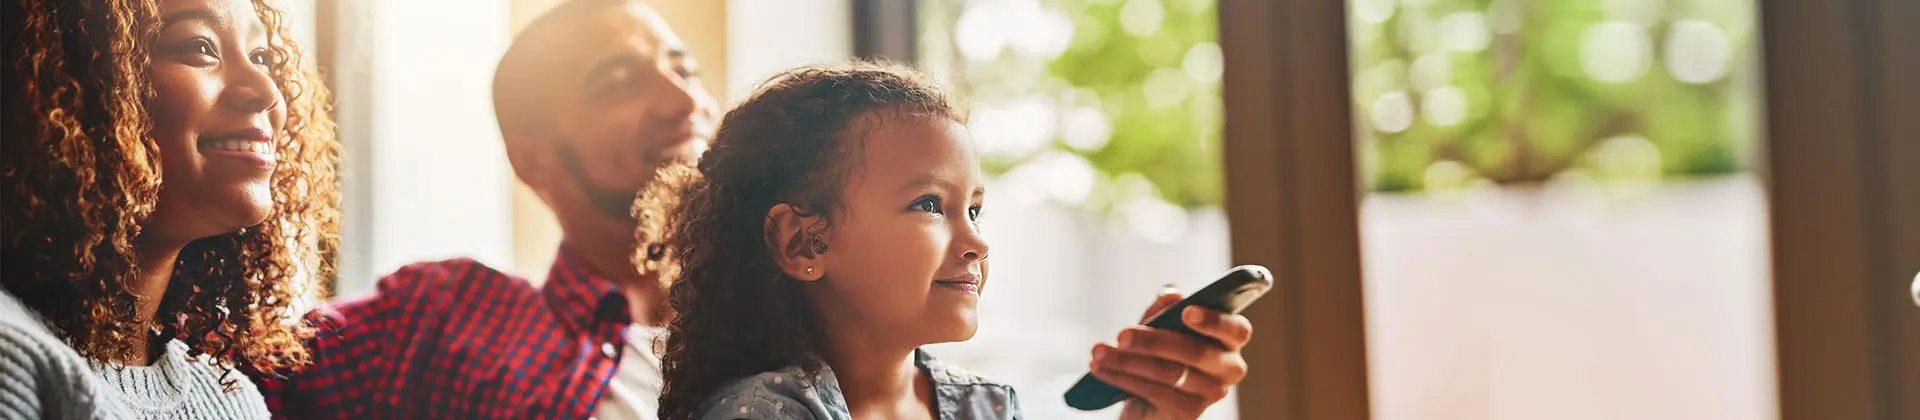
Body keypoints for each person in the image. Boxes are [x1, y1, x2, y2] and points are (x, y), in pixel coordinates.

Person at [255, 1, 1250, 419]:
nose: (683, 100)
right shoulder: (453, 321)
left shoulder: (908, 360)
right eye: (617, 81)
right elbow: (190, 377)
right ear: (534, 158)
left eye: (684, 68)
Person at [0, 0, 339, 418]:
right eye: (200, 47)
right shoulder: (12, 360)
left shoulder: (232, 401)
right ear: (68, 85)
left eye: (261, 56)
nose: (267, 92)